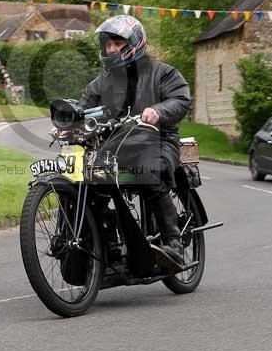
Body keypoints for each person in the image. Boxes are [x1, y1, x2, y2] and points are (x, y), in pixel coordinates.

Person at [78, 14, 191, 269]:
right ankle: (108, 247)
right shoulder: (101, 82)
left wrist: (159, 111)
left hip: (158, 140)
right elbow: (84, 107)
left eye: (117, 43)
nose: (111, 49)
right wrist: (68, 122)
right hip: (116, 147)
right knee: (89, 185)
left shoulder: (163, 73)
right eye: (107, 44)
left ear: (135, 42)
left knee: (150, 173)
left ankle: (174, 244)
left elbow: (181, 99)